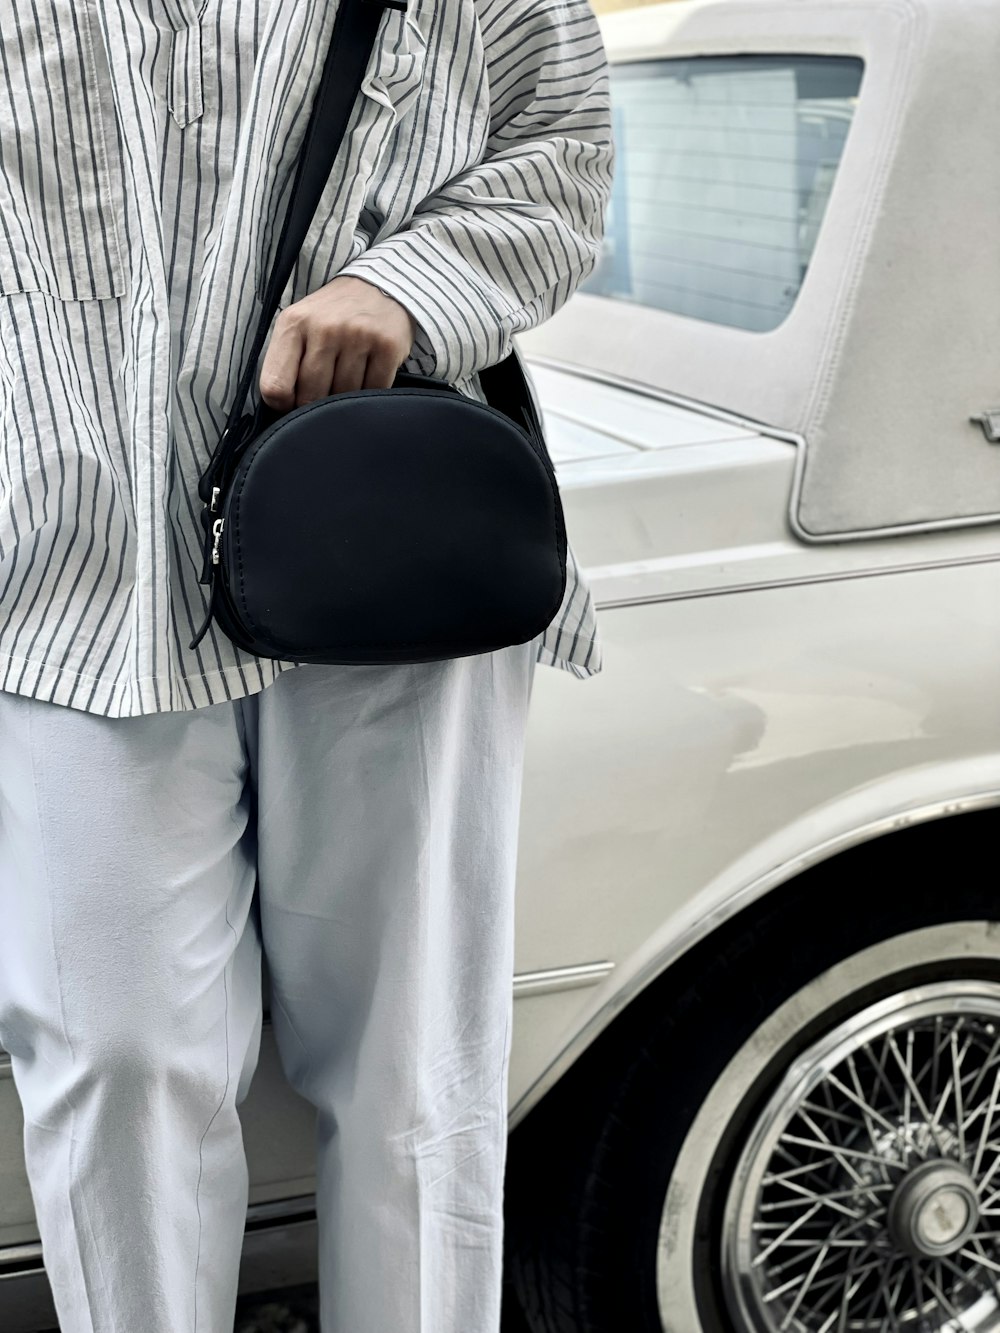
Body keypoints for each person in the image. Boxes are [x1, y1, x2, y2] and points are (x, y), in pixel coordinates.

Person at [0, 0, 613, 1330]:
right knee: (113, 1066)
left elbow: (559, 145)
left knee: (414, 1070)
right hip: (59, 556)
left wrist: (407, 282)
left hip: (375, 533)